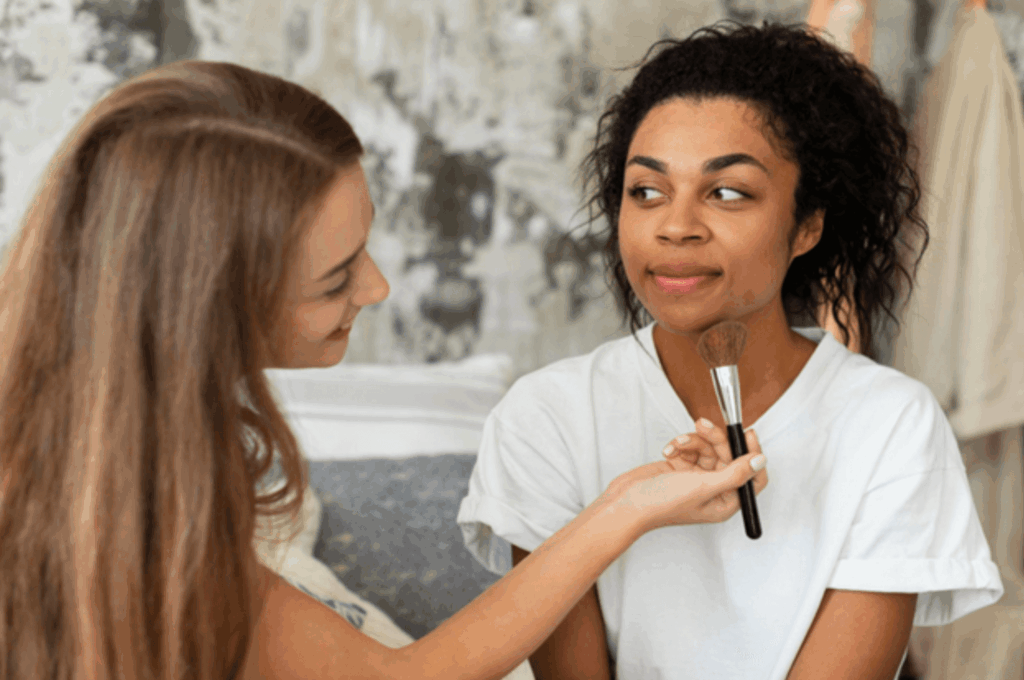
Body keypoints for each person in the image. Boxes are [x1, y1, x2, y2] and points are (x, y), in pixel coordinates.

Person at [0, 59, 769, 680]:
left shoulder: (144, 448)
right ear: (206, 309)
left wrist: (626, 504)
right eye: (335, 279)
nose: (376, 289)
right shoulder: (125, 528)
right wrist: (621, 513)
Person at [456, 21, 1003, 680]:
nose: (676, 226)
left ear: (807, 224)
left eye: (728, 193)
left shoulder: (890, 425)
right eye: (647, 191)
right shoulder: (547, 416)